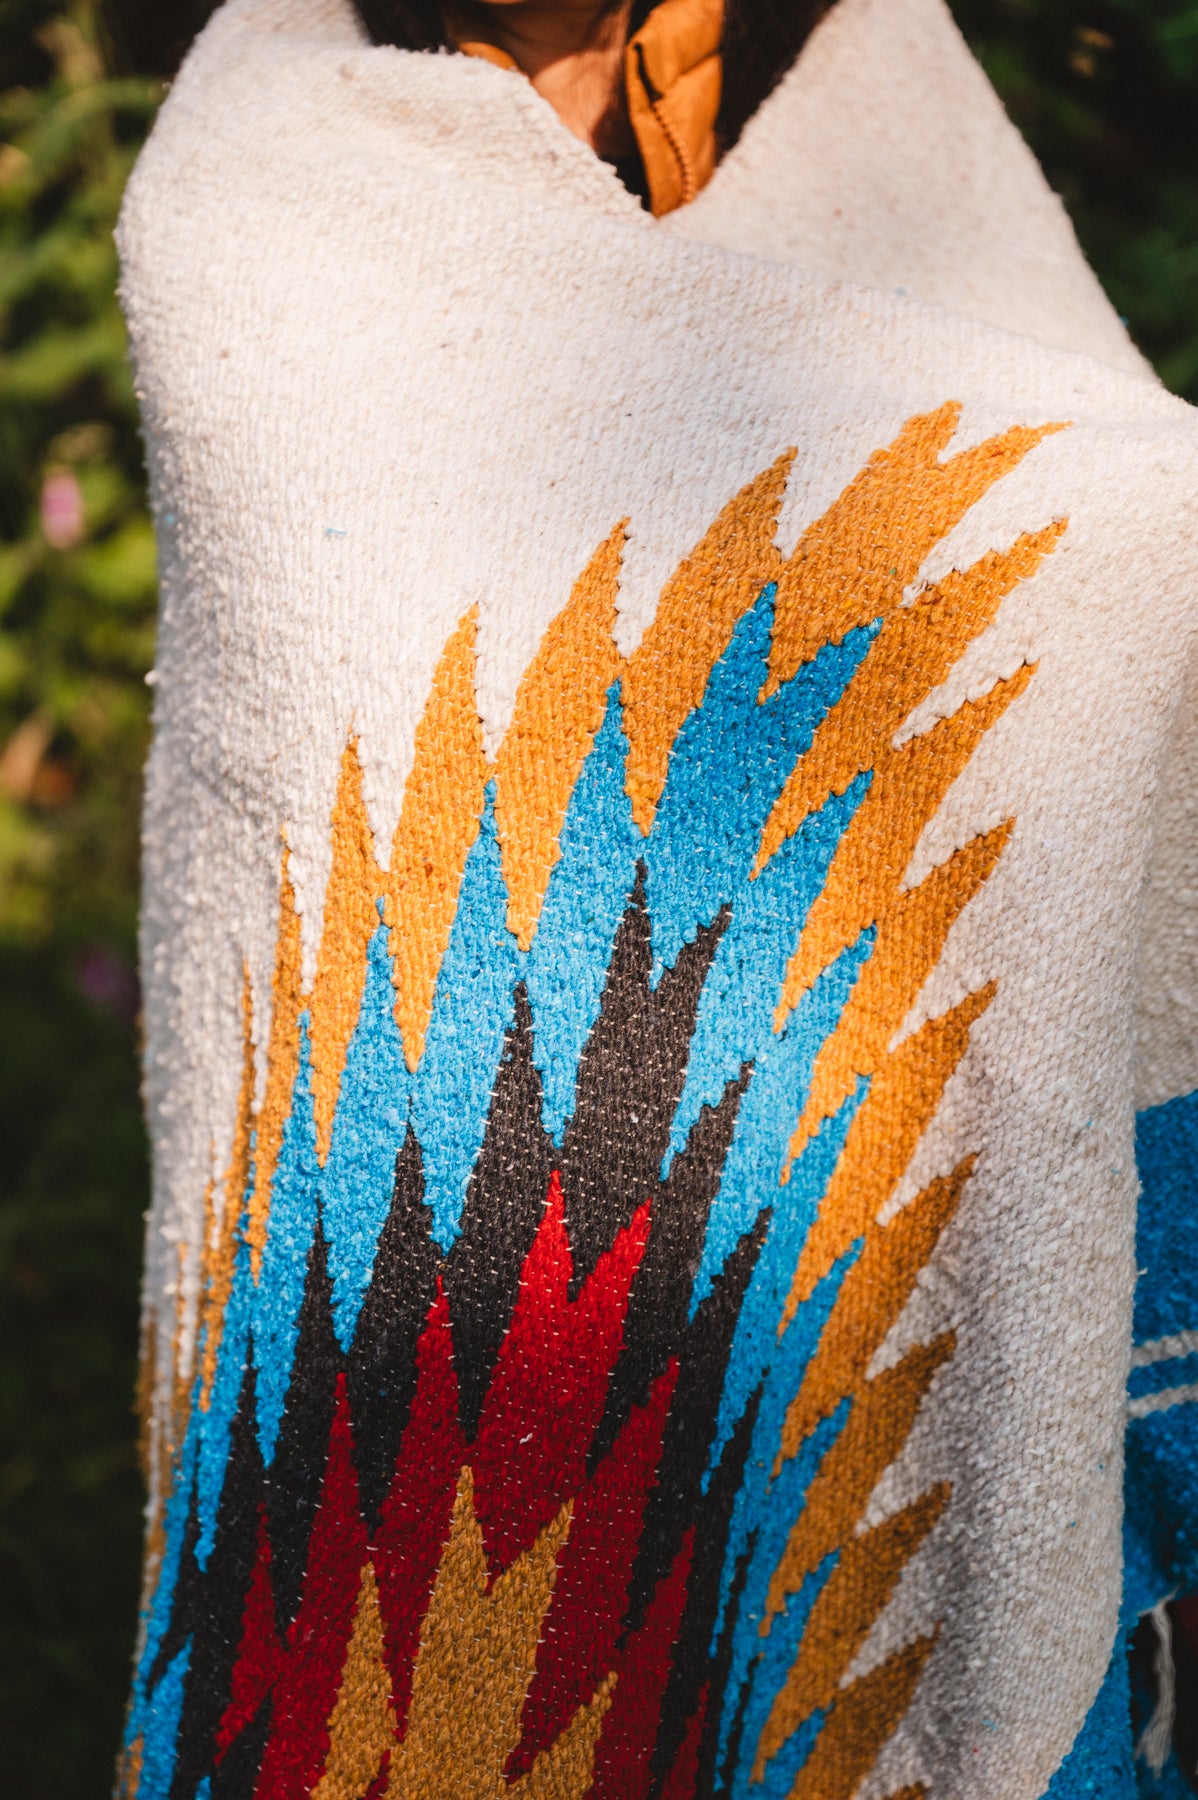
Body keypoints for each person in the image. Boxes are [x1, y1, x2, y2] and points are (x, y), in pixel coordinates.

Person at [115, 1, 1198, 1795]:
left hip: (810, 1255)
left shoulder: (879, 125)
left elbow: (1082, 535)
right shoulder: (273, 180)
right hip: (427, 1327)